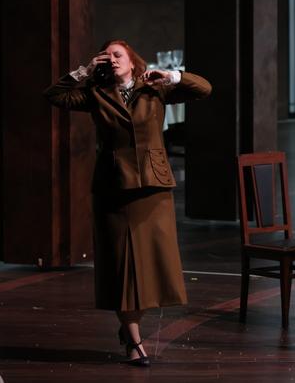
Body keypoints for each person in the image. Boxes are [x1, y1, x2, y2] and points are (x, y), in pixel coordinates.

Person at [43, 40, 212, 367]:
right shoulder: (96, 93)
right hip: (114, 190)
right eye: (106, 56)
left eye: (117, 54)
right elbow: (54, 95)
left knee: (152, 267)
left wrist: (172, 76)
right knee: (122, 269)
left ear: (132, 61)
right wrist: (84, 72)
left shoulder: (154, 89)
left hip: (153, 188)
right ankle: (133, 339)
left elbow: (204, 89)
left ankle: (130, 325)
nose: (111, 59)